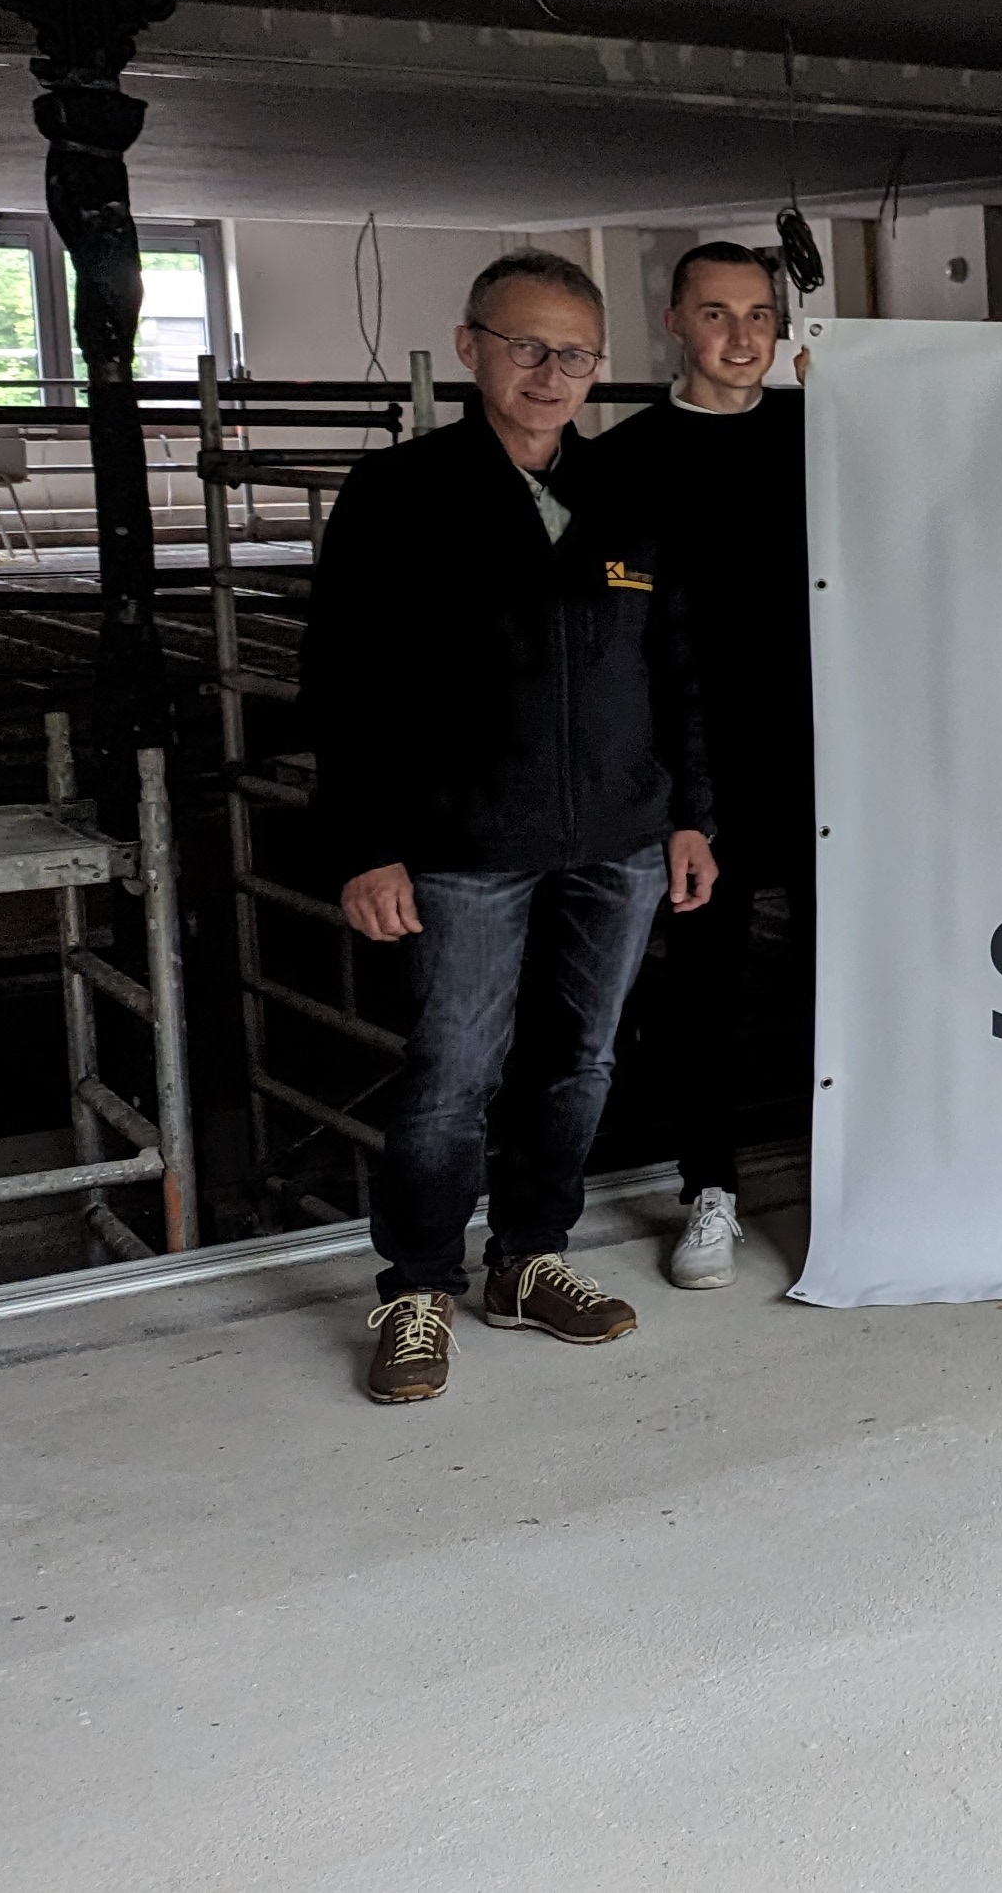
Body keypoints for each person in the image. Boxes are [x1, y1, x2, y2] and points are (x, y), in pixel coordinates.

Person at [305, 250, 717, 1405]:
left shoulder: (628, 494)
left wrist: (691, 816)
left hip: (617, 838)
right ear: (472, 346)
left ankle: (529, 1259)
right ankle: (418, 1289)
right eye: (526, 346)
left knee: (580, 1064)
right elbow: (340, 682)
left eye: (574, 354)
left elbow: (677, 671)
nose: (549, 373)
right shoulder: (400, 495)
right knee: (451, 1075)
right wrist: (364, 846)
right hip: (462, 844)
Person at [585, 243, 808, 1293]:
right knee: (706, 988)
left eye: (759, 314)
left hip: (821, 760)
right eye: (716, 313)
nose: (741, 336)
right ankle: (709, 1186)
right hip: (696, 771)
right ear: (674, 320)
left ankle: (843, 1171)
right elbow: (613, 641)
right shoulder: (625, 460)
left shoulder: (818, 435)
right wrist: (665, 789)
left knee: (836, 977)